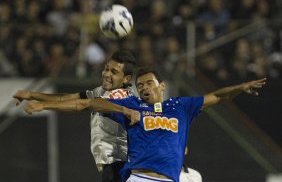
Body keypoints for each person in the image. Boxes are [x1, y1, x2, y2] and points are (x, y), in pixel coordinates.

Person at [21, 67, 266, 182]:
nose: (144, 87)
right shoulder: (132, 106)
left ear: (162, 86)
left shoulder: (181, 106)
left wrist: (240, 88)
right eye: (140, 86)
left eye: (149, 83)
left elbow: (218, 97)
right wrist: (43, 105)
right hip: (140, 179)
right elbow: (87, 104)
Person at [13, 50, 136, 182]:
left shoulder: (121, 96)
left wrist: (43, 106)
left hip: (122, 163)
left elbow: (81, 105)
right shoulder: (102, 91)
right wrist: (31, 95)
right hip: (113, 163)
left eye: (114, 72)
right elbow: (68, 98)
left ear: (126, 79)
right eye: (106, 69)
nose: (107, 74)